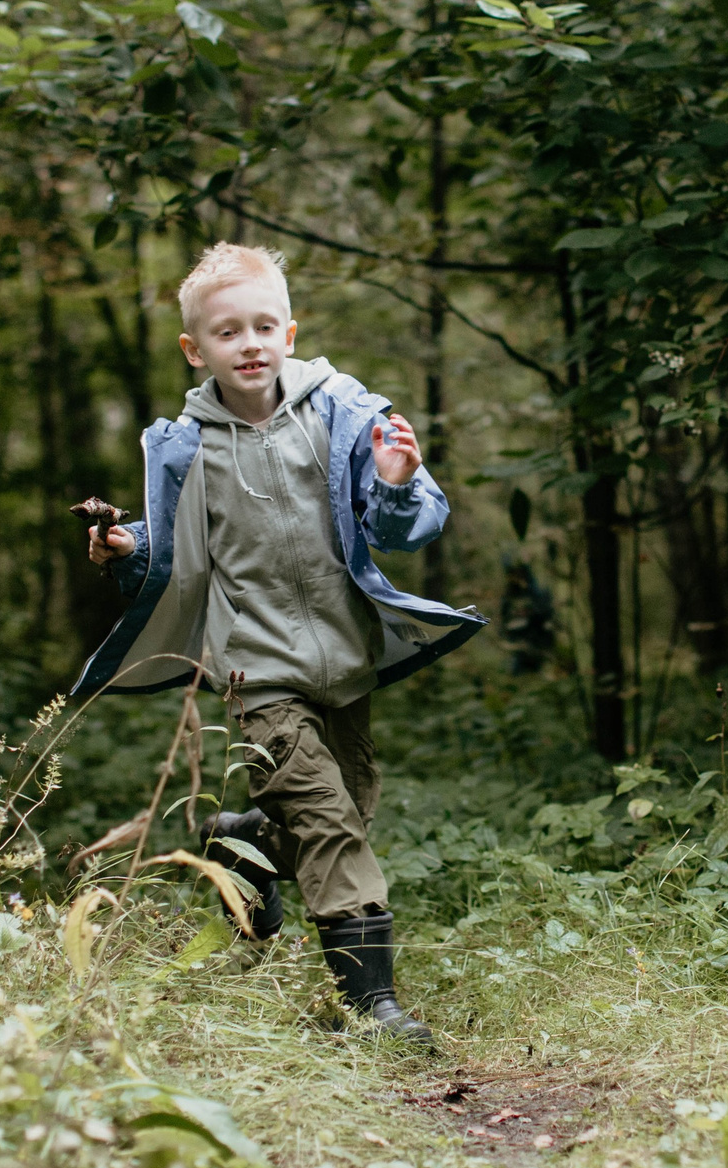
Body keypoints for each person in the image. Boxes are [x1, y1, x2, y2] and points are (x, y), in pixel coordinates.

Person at [77, 244, 483, 1046]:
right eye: (229, 332)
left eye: (265, 324)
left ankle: (248, 840)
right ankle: (371, 1007)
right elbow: (176, 554)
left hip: (345, 661)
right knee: (330, 824)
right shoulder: (188, 447)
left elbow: (407, 526)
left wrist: (398, 480)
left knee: (347, 813)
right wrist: (129, 552)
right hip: (255, 673)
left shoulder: (344, 415)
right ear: (197, 350)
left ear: (290, 331)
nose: (251, 342)